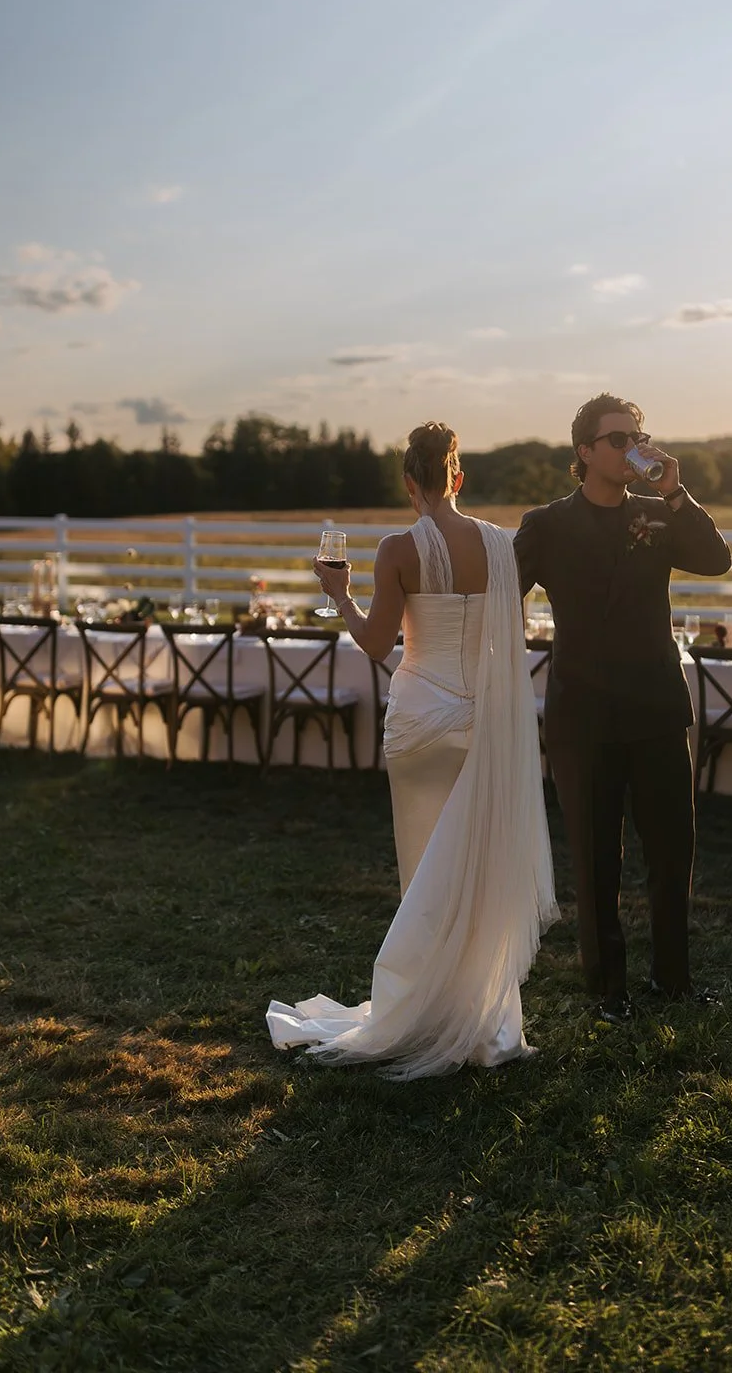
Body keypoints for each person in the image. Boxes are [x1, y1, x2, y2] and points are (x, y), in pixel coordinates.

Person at [266, 421, 558, 1079]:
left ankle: (426, 1008)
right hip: (482, 723)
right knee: (475, 870)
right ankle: (480, 1017)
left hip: (421, 721)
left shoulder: (398, 548)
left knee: (424, 872)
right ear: (458, 477)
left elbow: (376, 644)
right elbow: (506, 637)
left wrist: (339, 596)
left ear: (408, 483)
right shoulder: (499, 545)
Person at [514, 393, 732, 1023]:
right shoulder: (547, 524)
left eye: (637, 436)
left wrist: (676, 493)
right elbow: (501, 594)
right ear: (584, 452)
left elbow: (716, 560)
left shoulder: (658, 513)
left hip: (657, 705)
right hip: (583, 713)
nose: (632, 448)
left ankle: (674, 980)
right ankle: (608, 990)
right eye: (618, 439)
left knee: (671, 853)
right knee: (596, 861)